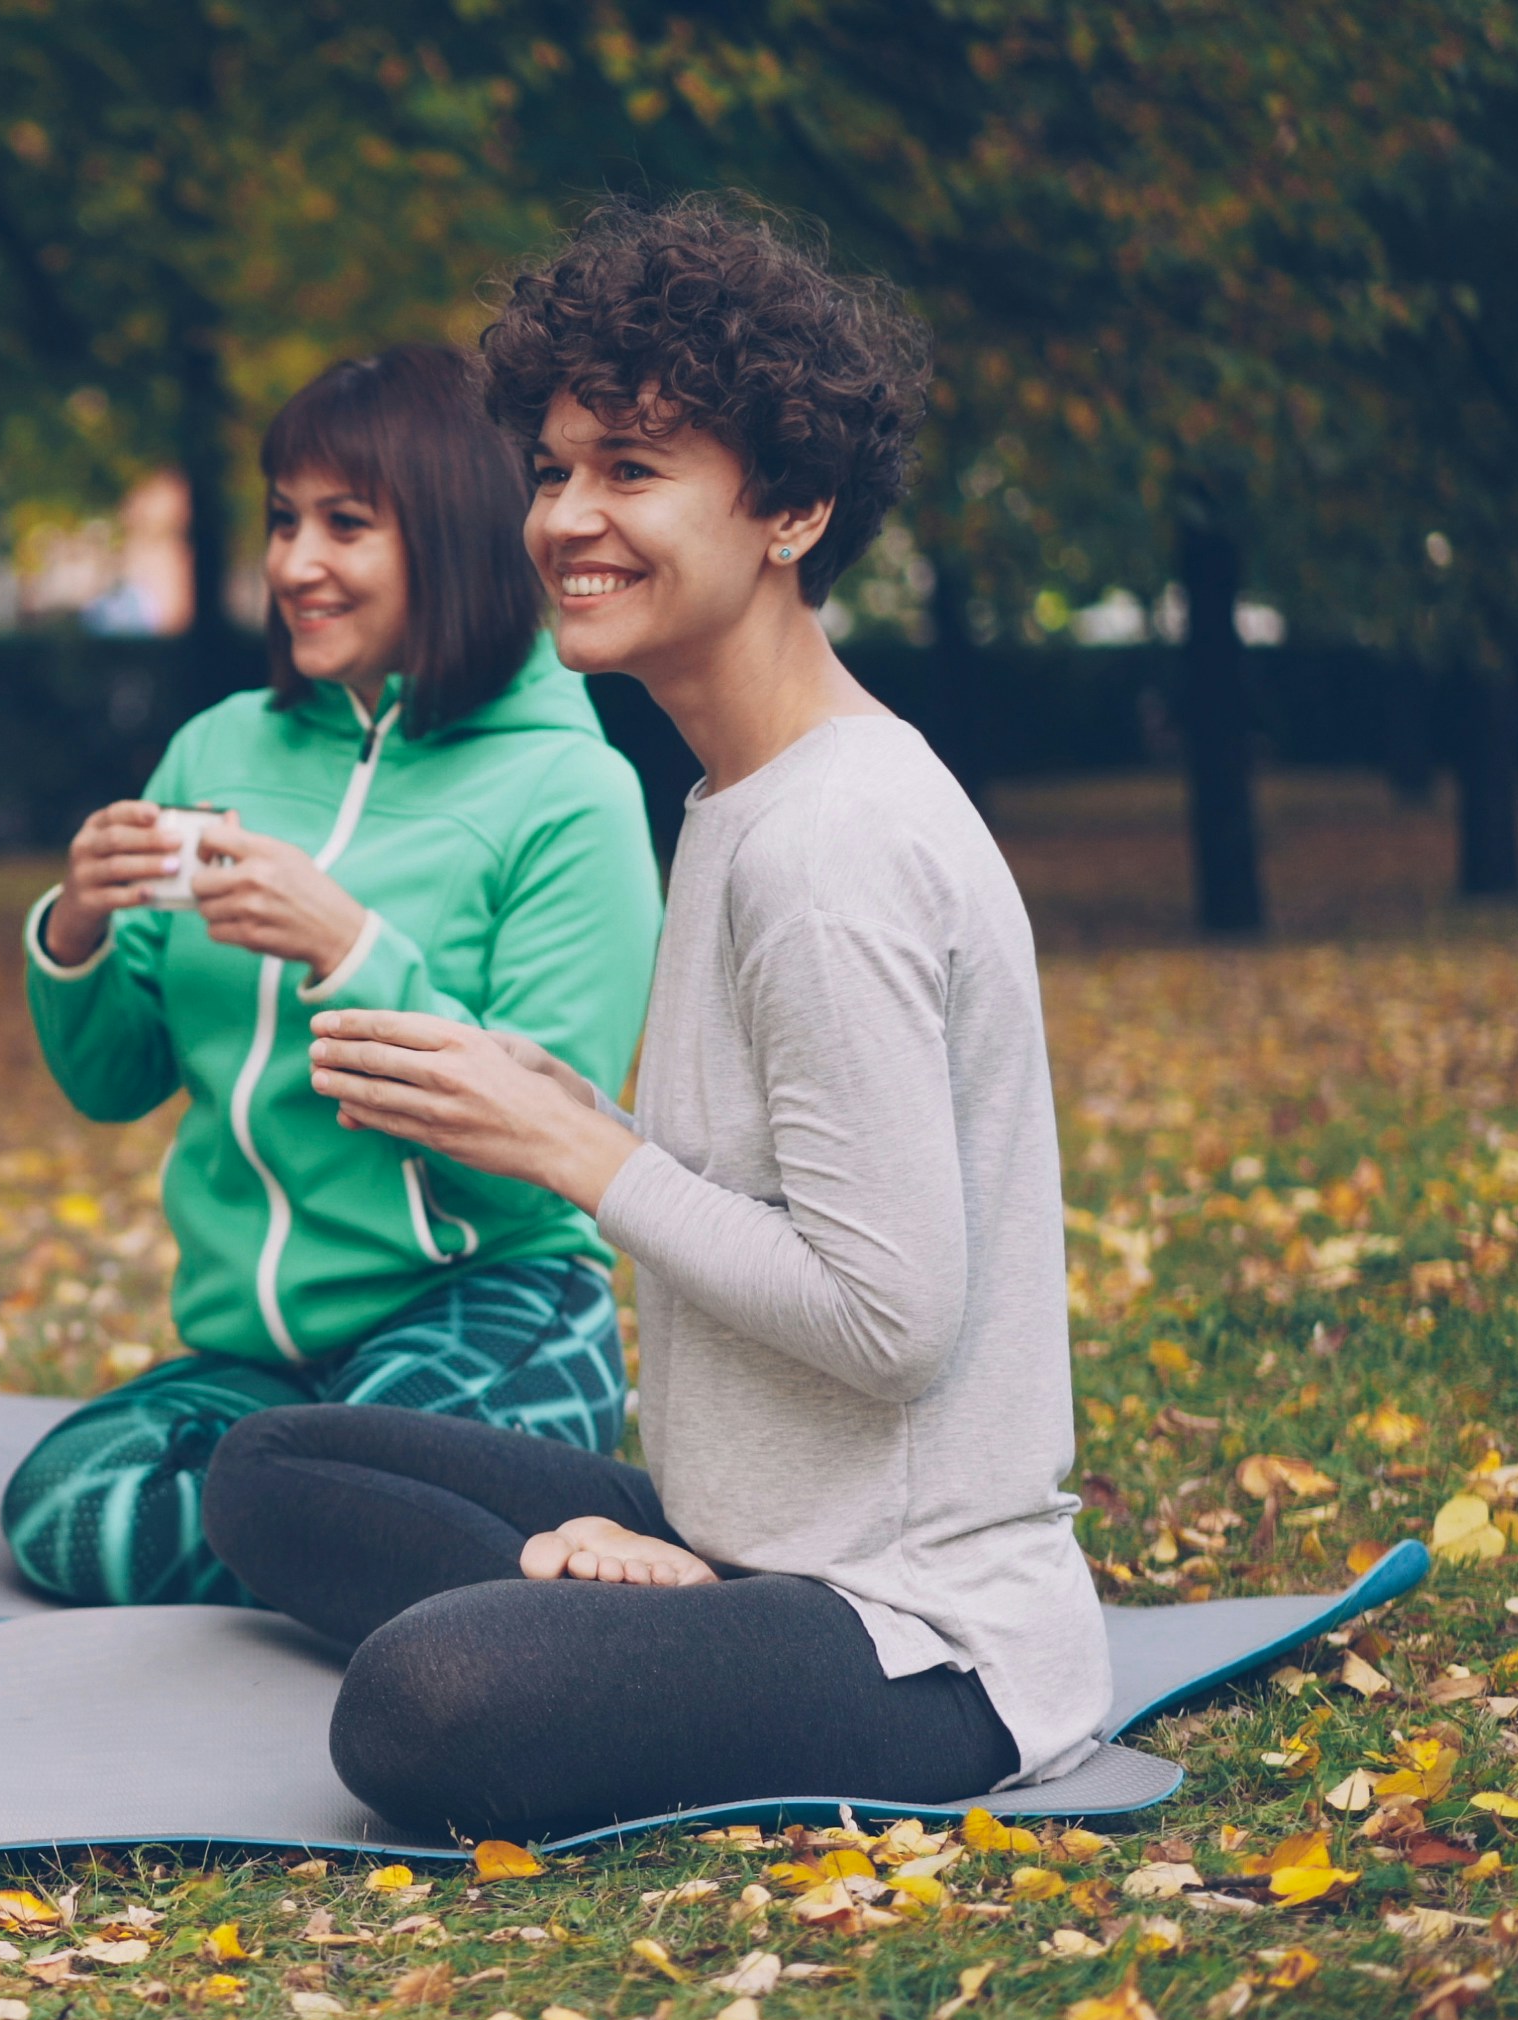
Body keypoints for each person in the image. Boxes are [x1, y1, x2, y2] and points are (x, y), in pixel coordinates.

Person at [209, 197, 1111, 1839]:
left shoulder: (834, 845)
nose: (563, 517)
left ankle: (642, 1612)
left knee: (426, 1697)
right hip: (743, 1523)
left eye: (630, 470)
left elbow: (892, 1318)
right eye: (553, 470)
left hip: (918, 1636)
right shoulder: (736, 794)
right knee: (269, 1467)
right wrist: (578, 1112)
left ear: (792, 510)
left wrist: (576, 1153)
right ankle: (649, 1587)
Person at [4, 346, 663, 1608]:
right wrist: (77, 922)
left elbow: (546, 1143)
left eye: (344, 525)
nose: (294, 563)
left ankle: (384, 1537)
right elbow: (111, 1077)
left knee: (311, 1478)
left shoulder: (566, 793)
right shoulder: (217, 746)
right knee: (60, 1507)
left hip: (487, 1307)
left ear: (456, 536)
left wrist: (349, 950)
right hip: (262, 1360)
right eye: (283, 520)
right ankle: (407, 1553)